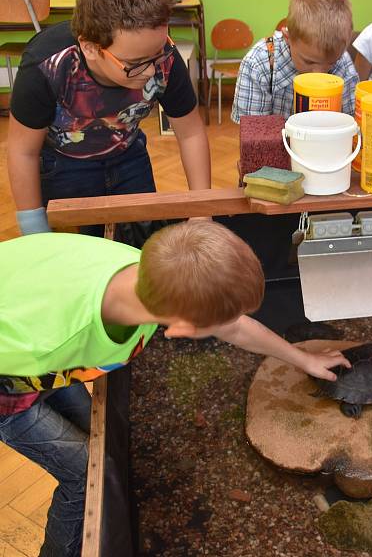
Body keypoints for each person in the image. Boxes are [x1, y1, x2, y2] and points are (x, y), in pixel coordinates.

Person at [0, 220, 349, 556]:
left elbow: (237, 328)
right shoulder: (50, 342)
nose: (231, 325)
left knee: (101, 455)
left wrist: (303, 359)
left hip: (34, 320)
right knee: (83, 473)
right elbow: (45, 333)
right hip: (12, 381)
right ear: (181, 330)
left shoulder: (150, 273)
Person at [7, 0, 211, 237]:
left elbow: (191, 133)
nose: (152, 70)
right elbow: (23, 152)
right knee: (79, 256)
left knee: (141, 245)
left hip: (129, 158)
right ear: (90, 48)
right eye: (135, 62)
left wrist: (201, 211)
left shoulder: (163, 58)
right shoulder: (46, 66)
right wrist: (35, 232)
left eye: (159, 52)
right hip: (63, 167)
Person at [231, 0, 358, 122]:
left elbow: (349, 124)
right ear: (288, 38)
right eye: (309, 61)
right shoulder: (258, 64)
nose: (318, 74)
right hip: (273, 143)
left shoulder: (343, 62)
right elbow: (252, 136)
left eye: (331, 63)